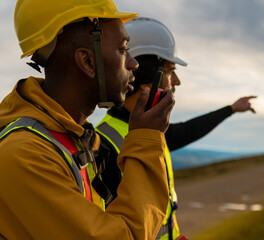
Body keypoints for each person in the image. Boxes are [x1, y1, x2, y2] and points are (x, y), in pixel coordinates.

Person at [0, 1, 175, 239]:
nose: (133, 63)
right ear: (87, 62)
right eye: (123, 49)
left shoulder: (74, 138)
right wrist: (146, 139)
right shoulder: (24, 155)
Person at [96, 17, 256, 240]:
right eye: (171, 71)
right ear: (147, 80)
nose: (177, 82)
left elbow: (187, 131)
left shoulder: (150, 132)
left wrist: (231, 109)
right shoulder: (102, 144)